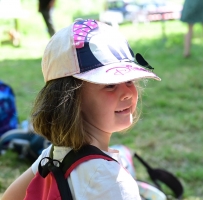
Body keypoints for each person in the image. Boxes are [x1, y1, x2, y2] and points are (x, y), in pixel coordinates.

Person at [2, 18, 161, 200]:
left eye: (129, 81)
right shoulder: (112, 182)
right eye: (109, 85)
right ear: (70, 99)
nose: (127, 93)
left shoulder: (54, 155)